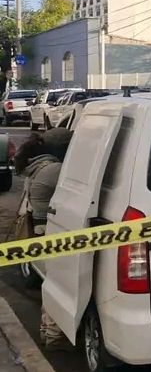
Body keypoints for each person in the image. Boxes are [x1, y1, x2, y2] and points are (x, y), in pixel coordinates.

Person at [13, 131, 72, 350]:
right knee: (58, 285)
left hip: (37, 232)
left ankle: (48, 332)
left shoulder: (37, 165)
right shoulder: (54, 169)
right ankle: (54, 335)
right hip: (46, 232)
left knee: (51, 283)